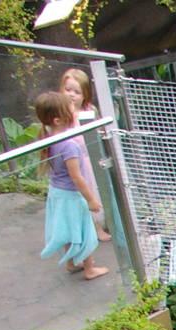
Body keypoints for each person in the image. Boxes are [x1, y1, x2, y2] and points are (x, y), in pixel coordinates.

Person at [34, 91, 108, 280]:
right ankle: (89, 268)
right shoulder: (69, 145)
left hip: (57, 192)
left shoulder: (49, 137)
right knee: (83, 231)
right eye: (71, 111)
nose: (74, 114)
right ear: (58, 120)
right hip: (72, 195)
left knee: (68, 229)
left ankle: (71, 263)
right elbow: (76, 177)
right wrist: (90, 199)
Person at [58, 67, 112, 242]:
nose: (71, 95)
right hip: (73, 163)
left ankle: (101, 223)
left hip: (90, 159)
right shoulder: (61, 114)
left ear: (85, 95)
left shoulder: (89, 111)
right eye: (68, 90)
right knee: (82, 196)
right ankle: (94, 229)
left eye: (77, 92)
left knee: (95, 193)